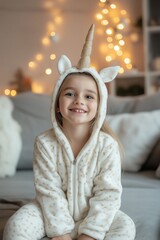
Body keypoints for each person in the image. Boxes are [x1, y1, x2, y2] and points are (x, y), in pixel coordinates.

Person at [3, 24, 136, 240]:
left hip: (93, 215)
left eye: (89, 96)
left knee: (126, 227)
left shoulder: (106, 146)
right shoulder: (45, 143)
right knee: (15, 227)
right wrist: (61, 233)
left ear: (99, 108)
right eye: (70, 94)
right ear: (57, 103)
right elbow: (49, 191)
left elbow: (108, 194)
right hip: (50, 214)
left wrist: (90, 234)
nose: (79, 101)